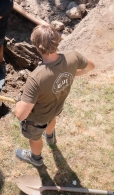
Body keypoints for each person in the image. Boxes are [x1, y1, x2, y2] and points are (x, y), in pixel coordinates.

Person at [13, 24, 95, 166]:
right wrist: (71, 75)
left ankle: (36, 158)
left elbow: (21, 115)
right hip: (56, 107)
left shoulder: (36, 78)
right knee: (51, 119)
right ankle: (50, 137)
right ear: (57, 40)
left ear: (37, 48)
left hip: (38, 118)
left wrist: (18, 105)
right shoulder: (73, 56)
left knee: (34, 137)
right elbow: (90, 66)